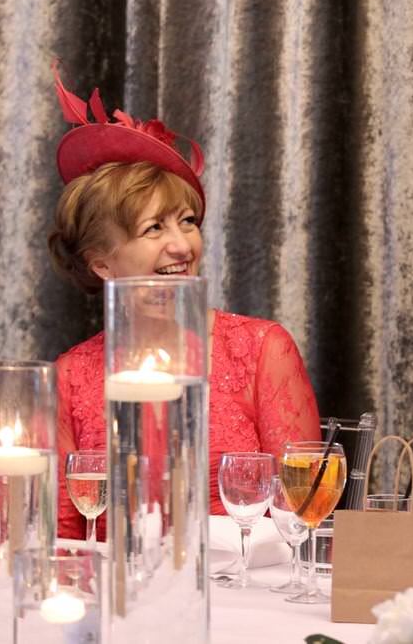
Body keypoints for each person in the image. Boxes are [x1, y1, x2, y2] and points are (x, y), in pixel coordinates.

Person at [48, 67, 321, 539]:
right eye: (154, 229)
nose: (182, 246)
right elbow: (64, 533)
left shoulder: (261, 349)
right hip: (121, 595)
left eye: (187, 221)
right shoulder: (71, 376)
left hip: (249, 592)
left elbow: (307, 513)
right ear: (102, 265)